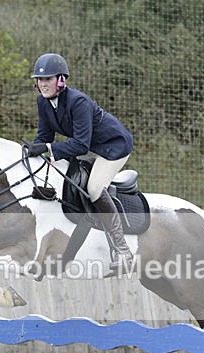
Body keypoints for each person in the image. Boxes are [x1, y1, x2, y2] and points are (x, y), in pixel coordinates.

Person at [26, 53, 134, 274]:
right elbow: (44, 135)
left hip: (115, 147)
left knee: (93, 188)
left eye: (48, 79)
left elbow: (81, 145)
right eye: (40, 79)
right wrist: (33, 151)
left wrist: (47, 149)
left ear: (61, 80)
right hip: (93, 148)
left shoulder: (78, 102)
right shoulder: (43, 102)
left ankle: (122, 250)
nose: (43, 84)